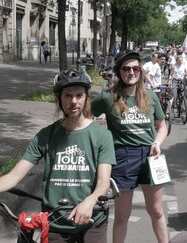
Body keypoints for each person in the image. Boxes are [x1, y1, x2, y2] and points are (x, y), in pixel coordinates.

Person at [0, 69, 116, 242]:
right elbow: (14, 176)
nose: (74, 101)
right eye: (67, 95)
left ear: (86, 98)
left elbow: (103, 182)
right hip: (55, 222)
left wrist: (90, 201)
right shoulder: (46, 135)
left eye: (79, 95)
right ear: (59, 99)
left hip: (92, 220)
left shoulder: (102, 136)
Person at [91, 51, 169, 243]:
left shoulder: (150, 96)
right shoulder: (108, 98)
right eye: (126, 69)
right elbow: (85, 117)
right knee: (122, 215)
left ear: (141, 72)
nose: (132, 72)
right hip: (122, 156)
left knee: (157, 211)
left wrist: (157, 143)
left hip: (151, 156)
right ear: (119, 72)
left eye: (136, 68)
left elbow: (162, 126)